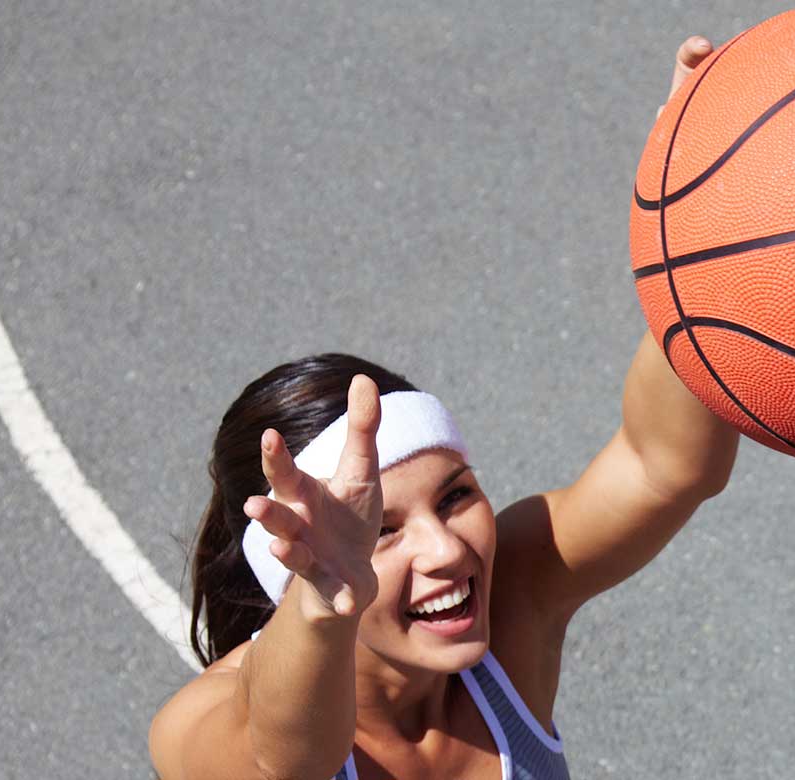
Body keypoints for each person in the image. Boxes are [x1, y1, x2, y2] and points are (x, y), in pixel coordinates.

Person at [147, 44, 736, 780]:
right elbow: (279, 761)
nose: (448, 551)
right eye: (377, 533)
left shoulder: (513, 603)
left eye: (455, 496)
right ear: (290, 571)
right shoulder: (196, 727)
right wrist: (328, 598)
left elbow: (668, 466)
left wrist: (706, 233)